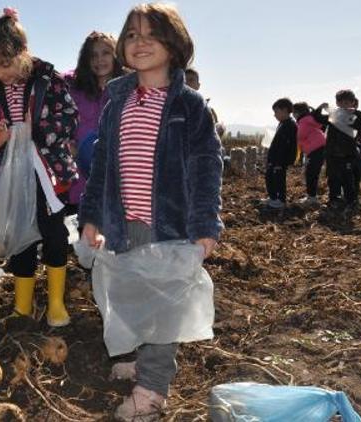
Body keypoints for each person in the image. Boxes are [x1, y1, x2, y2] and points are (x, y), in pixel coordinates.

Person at [79, 4, 222, 420]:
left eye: (151, 35)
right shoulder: (117, 102)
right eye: (131, 35)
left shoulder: (189, 105)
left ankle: (153, 389)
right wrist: (92, 216)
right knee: (131, 294)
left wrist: (205, 225)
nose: (139, 43)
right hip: (124, 224)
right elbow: (103, 165)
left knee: (164, 311)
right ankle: (137, 360)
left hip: (170, 227)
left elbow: (206, 166)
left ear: (174, 46)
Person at [0, 8, 78, 327]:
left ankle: (56, 303)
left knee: (53, 232)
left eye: (6, 63)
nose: (1, 72)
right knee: (20, 237)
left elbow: (68, 116)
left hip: (46, 171)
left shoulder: (47, 79)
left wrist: (37, 131)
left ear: (22, 52)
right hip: (9, 175)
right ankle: (22, 306)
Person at [63, 31, 126, 213]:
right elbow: (62, 120)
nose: (99, 60)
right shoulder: (72, 88)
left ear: (116, 55)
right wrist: (69, 144)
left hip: (115, 178)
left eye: (105, 53)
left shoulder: (128, 88)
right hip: (78, 181)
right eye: (93, 55)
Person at [313, 90, 361, 211]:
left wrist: (352, 112)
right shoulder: (333, 115)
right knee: (333, 177)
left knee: (348, 178)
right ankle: (334, 199)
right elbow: (317, 118)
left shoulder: (355, 117)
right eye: (342, 101)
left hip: (348, 153)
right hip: (332, 153)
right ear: (337, 102)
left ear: (353, 102)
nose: (345, 104)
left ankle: (351, 200)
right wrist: (320, 107)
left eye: (348, 101)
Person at [264, 98, 297, 209]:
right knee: (269, 177)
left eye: (276, 112)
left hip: (280, 159)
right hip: (275, 158)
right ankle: (273, 197)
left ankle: (280, 200)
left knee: (278, 179)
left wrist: (279, 161)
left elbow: (285, 146)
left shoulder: (290, 125)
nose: (275, 115)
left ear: (285, 110)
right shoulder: (282, 123)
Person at [293, 102, 326, 207]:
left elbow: (300, 136)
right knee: (312, 173)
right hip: (318, 147)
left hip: (316, 148)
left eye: (293, 112)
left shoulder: (303, 121)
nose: (293, 115)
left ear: (297, 112)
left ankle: (312, 198)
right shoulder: (309, 119)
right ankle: (312, 196)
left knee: (311, 173)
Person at [185, 67, 225, 138]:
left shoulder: (207, 110)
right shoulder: (173, 107)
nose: (187, 84)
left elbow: (214, 136)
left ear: (198, 86)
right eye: (184, 81)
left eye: (191, 80)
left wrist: (219, 128)